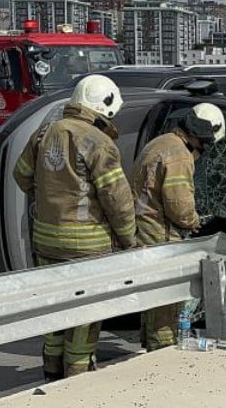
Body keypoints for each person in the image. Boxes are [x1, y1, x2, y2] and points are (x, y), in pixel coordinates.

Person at [13, 75, 137, 380]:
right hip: (87, 247)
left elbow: (21, 175)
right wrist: (128, 239)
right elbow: (117, 199)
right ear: (103, 107)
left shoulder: (45, 133)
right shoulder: (98, 142)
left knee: (55, 307)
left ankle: (51, 371)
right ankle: (78, 378)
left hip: (45, 241)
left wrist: (50, 195)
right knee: (85, 315)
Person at [133, 102, 226, 350]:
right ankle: (162, 351)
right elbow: (179, 206)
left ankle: (151, 344)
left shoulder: (160, 142)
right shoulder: (179, 155)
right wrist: (194, 221)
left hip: (143, 229)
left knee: (153, 299)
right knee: (167, 300)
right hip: (160, 234)